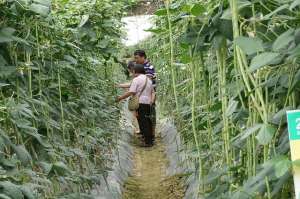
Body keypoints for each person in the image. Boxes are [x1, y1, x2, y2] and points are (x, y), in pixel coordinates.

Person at [117, 64, 155, 147]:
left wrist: (121, 98)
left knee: (142, 122)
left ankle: (147, 142)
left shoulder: (136, 80)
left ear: (135, 71)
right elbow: (152, 92)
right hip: (147, 103)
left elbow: (132, 92)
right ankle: (150, 139)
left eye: (133, 71)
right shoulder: (148, 80)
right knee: (147, 121)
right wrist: (151, 101)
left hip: (139, 102)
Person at [134, 50, 156, 141]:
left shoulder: (149, 67)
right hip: (143, 95)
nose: (135, 60)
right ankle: (144, 133)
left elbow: (147, 81)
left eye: (137, 58)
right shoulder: (141, 67)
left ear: (143, 57)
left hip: (149, 94)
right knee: (141, 115)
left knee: (149, 115)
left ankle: (151, 136)